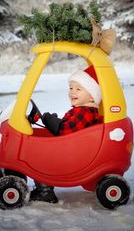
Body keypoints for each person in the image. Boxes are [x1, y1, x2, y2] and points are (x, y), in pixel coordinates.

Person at [29, 65, 103, 204]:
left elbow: (66, 131)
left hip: (76, 155)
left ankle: (45, 192)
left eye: (78, 89)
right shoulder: (80, 109)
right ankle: (43, 189)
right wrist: (55, 121)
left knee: (40, 155)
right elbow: (69, 128)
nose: (72, 92)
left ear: (92, 97)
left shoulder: (85, 112)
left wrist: (54, 123)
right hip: (73, 148)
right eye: (71, 88)